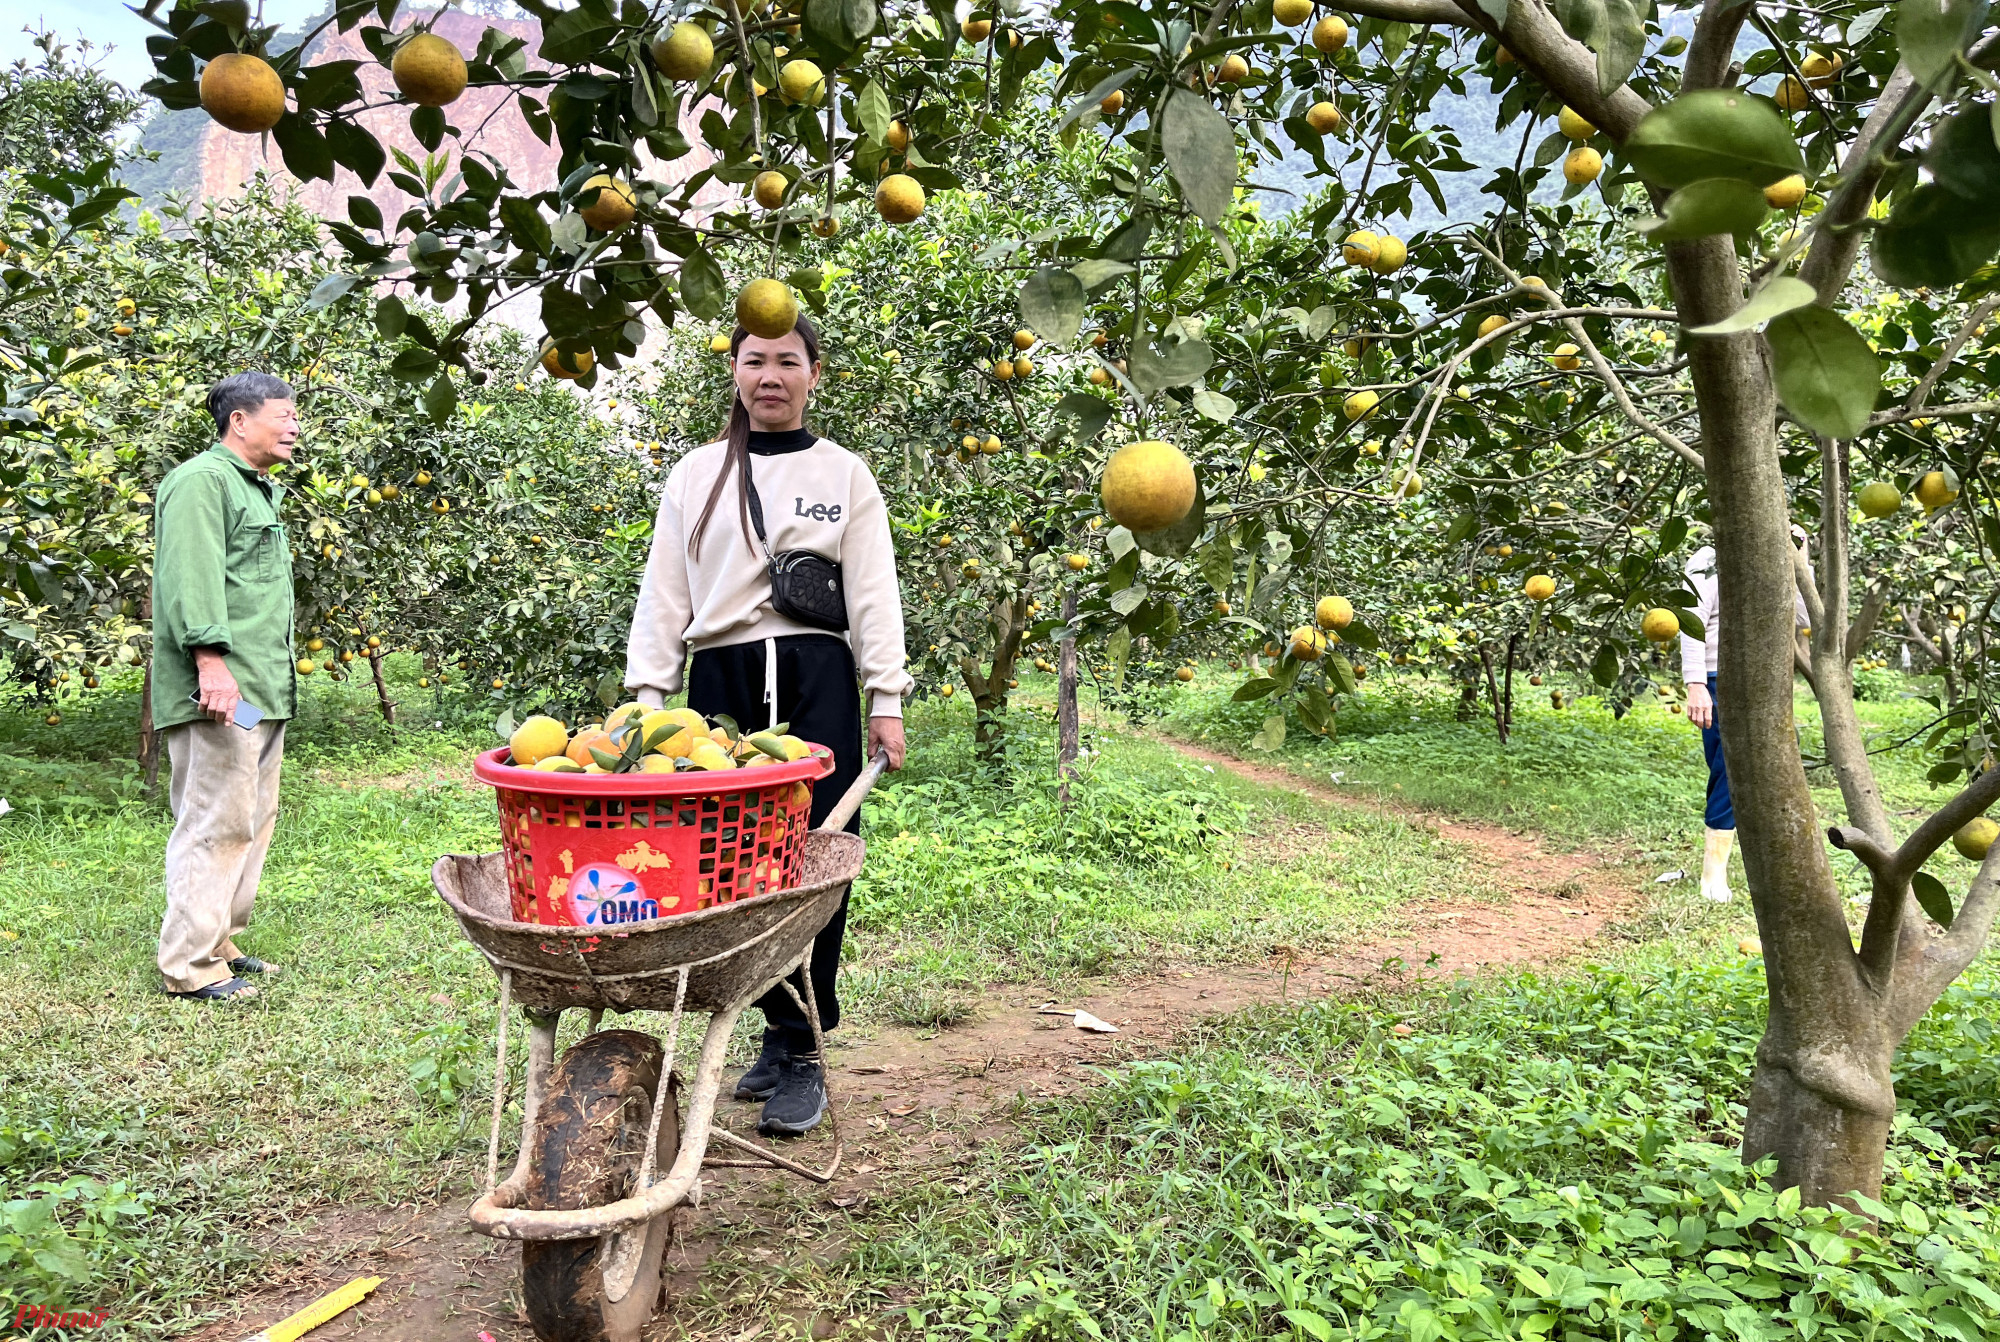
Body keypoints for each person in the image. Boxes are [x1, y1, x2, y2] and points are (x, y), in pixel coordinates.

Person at [625, 316, 911, 1137]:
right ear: (736, 373)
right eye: (756, 361)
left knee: (815, 858)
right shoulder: (698, 473)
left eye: (788, 361)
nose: (771, 376)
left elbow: (872, 590)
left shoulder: (843, 473)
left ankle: (803, 1044)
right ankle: (765, 1025)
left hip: (816, 678)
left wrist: (884, 696)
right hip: (720, 681)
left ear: (815, 373)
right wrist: (649, 701)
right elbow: (665, 589)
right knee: (730, 863)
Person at [152, 372, 301, 1001]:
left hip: (262, 685)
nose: (295, 426)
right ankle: (189, 967)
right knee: (214, 820)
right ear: (239, 421)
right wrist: (210, 664)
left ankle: (220, 940)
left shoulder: (256, 490)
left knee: (250, 819)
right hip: (222, 686)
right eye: (284, 415)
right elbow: (193, 577)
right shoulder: (200, 483)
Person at [1681, 527, 1811, 902]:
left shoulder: (1777, 561)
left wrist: (1801, 563)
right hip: (1718, 676)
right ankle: (1713, 874)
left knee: (1763, 768)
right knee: (1729, 768)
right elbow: (1690, 623)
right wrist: (1695, 684)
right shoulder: (1708, 560)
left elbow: (1805, 616)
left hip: (1767, 681)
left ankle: (1749, 865)